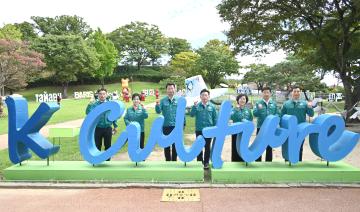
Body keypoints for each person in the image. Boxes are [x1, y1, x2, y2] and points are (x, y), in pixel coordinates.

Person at [281, 86, 314, 162]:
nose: (296, 93)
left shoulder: (305, 103)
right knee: (288, 146)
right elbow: (282, 116)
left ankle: (298, 163)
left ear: (300, 93)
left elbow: (311, 114)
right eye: (295, 91)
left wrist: (310, 107)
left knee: (299, 147)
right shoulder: (286, 104)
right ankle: (287, 162)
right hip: (289, 129)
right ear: (292, 93)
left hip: (300, 130)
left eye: (298, 91)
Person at [86, 88, 118, 161]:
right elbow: (88, 113)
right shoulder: (94, 104)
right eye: (100, 94)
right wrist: (89, 104)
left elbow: (114, 115)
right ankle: (97, 161)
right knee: (97, 145)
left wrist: (115, 126)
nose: (102, 95)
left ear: (106, 95)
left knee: (108, 146)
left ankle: (108, 161)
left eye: (104, 94)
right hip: (97, 128)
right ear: (98, 95)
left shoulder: (110, 104)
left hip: (108, 128)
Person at [190, 89, 218, 169]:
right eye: (203, 95)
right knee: (198, 147)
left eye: (206, 95)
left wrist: (215, 129)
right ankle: (199, 162)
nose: (204, 97)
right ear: (200, 96)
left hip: (209, 130)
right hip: (199, 130)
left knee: (207, 147)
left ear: (209, 97)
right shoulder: (197, 106)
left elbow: (215, 118)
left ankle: (206, 163)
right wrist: (194, 107)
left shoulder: (212, 107)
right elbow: (192, 115)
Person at [253, 87, 279, 161]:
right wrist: (258, 109)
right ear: (262, 93)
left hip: (271, 128)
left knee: (269, 146)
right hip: (260, 127)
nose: (266, 94)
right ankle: (258, 161)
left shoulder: (273, 103)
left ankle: (269, 161)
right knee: (258, 145)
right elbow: (255, 114)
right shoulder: (258, 103)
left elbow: (278, 113)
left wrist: (275, 119)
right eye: (264, 92)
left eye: (268, 92)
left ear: (270, 93)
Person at [155, 83, 179, 161]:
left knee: (175, 145)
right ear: (166, 90)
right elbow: (158, 111)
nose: (170, 90)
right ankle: (168, 161)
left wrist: (183, 123)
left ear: (175, 89)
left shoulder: (178, 100)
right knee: (166, 145)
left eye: (172, 88)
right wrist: (157, 104)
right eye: (169, 88)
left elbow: (181, 113)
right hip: (165, 126)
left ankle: (174, 161)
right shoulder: (163, 100)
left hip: (176, 126)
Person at [230, 93, 253, 162]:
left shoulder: (248, 110)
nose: (242, 100)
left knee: (243, 146)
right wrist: (236, 110)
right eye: (241, 99)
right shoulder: (233, 110)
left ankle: (243, 160)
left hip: (244, 132)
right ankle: (234, 161)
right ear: (237, 100)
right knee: (235, 146)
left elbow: (250, 119)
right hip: (235, 131)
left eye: (244, 99)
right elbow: (231, 117)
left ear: (246, 101)